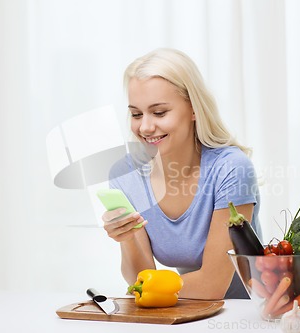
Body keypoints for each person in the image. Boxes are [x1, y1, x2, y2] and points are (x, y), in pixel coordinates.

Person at [102, 48, 262, 299]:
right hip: (182, 313)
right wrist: (127, 237)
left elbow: (212, 286)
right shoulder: (126, 174)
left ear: (194, 109)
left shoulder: (230, 169)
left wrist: (146, 290)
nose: (144, 126)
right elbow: (140, 280)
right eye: (136, 114)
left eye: (159, 112)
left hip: (249, 314)